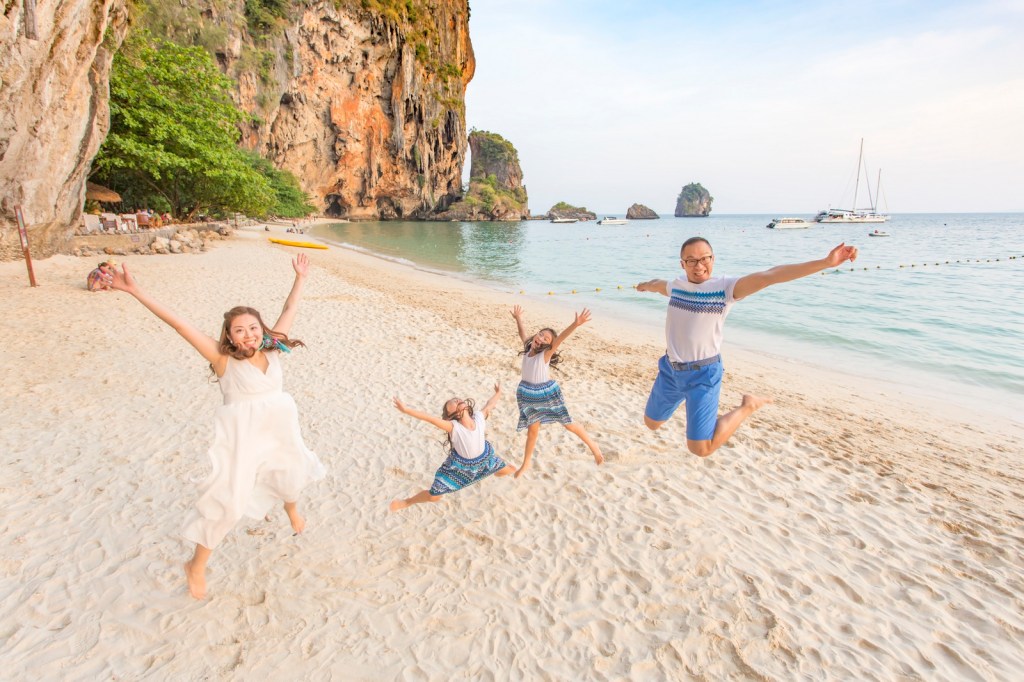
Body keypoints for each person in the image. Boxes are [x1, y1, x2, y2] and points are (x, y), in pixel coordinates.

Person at [107, 254, 326, 599]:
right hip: (243, 440)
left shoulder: (273, 349)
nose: (248, 334)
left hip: (281, 429)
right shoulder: (222, 360)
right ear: (230, 337)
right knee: (230, 504)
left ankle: (292, 511)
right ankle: (195, 566)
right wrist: (136, 291)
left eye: (253, 328)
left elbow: (289, 307)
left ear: (262, 329)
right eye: (240, 330)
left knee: (291, 473)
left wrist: (300, 278)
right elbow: (180, 325)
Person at [635, 237, 859, 457]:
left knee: (701, 449)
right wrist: (644, 286)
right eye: (691, 260)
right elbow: (657, 284)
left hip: (702, 375)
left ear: (713, 259)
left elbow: (771, 275)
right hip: (670, 370)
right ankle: (691, 403)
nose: (699, 265)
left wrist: (825, 263)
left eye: (705, 258)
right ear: (682, 264)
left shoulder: (724, 289)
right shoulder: (676, 286)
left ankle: (748, 406)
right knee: (652, 423)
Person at [509, 305, 604, 477]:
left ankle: (594, 447)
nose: (541, 338)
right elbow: (522, 333)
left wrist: (576, 324)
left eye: (546, 339)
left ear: (548, 346)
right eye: (540, 334)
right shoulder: (528, 348)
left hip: (545, 394)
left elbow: (560, 339)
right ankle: (526, 463)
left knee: (568, 424)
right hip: (528, 395)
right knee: (532, 431)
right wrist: (518, 318)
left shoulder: (544, 355)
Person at [390, 384, 515, 511]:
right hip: (461, 469)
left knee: (510, 469)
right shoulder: (453, 427)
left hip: (486, 461)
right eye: (453, 402)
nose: (456, 400)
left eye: (457, 399)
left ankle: (498, 472)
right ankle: (406, 502)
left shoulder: (478, 417)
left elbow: (489, 405)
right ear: (450, 415)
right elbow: (430, 419)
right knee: (434, 496)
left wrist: (498, 393)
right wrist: (406, 410)